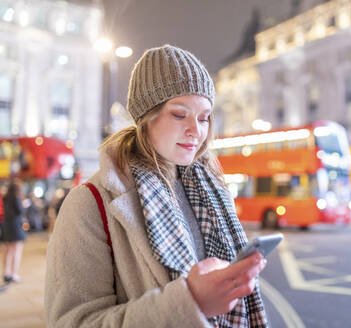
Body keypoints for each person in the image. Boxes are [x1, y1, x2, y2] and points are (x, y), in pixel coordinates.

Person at [45, 45, 269, 327]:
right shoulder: (88, 203)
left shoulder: (212, 190)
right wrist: (189, 305)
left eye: (204, 117)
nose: (196, 130)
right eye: (179, 114)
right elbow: (72, 322)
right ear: (145, 117)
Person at [2, 180, 26, 283]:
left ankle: (6, 273)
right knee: (17, 250)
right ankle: (14, 274)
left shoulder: (5, 197)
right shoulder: (16, 197)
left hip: (7, 225)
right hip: (16, 225)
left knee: (8, 250)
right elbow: (20, 211)